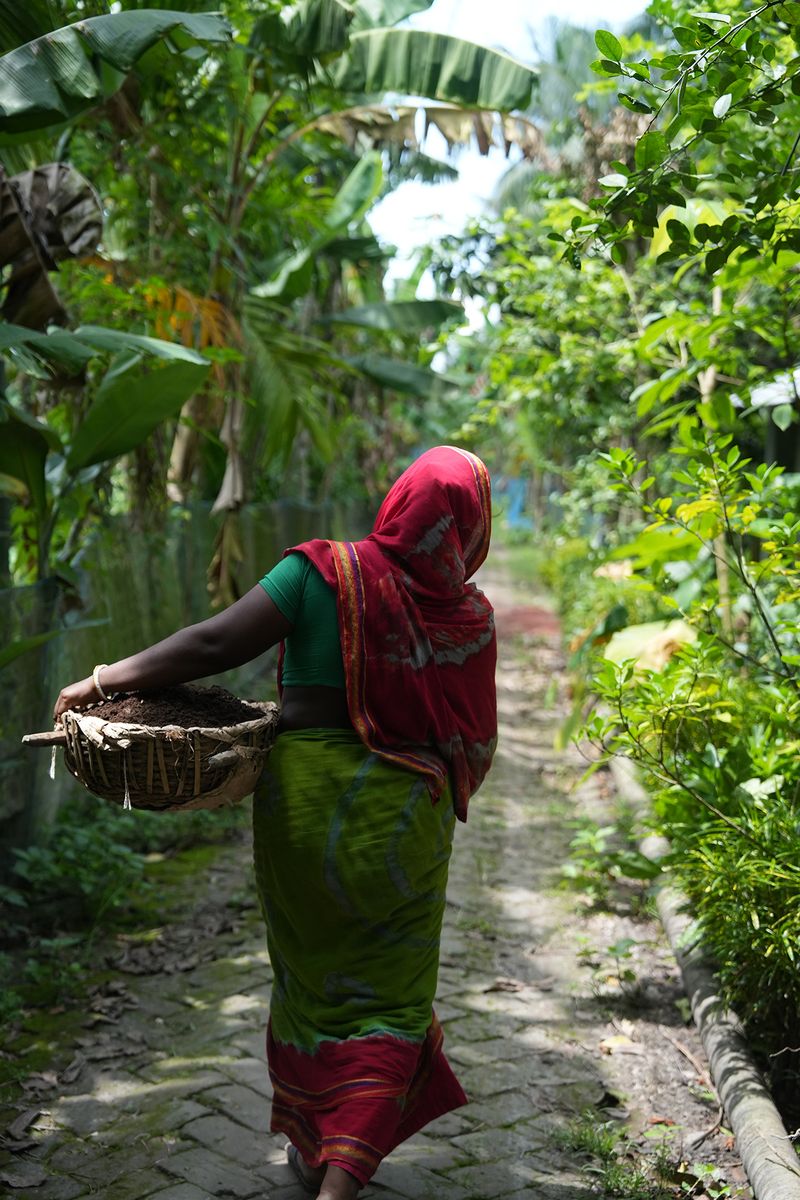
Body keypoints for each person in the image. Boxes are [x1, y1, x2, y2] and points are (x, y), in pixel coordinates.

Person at [54, 445, 498, 1200]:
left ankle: (314, 1135)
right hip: (405, 822)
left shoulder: (324, 570)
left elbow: (214, 644)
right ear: (467, 527)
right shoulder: (468, 615)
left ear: (397, 503)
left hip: (304, 807)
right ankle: (344, 1170)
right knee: (389, 998)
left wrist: (99, 681)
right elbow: (471, 740)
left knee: (309, 979)